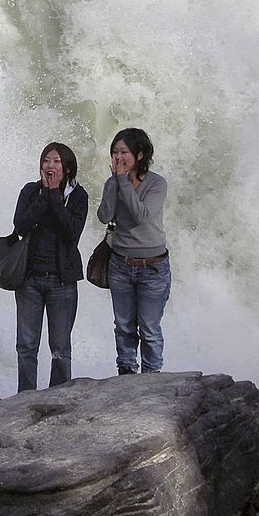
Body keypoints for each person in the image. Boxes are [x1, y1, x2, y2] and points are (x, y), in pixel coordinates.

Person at [12, 142, 88, 391]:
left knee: (60, 348)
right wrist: (44, 196)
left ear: (67, 167)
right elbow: (21, 226)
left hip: (61, 282)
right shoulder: (30, 192)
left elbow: (71, 233)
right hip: (29, 280)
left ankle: (59, 397)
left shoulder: (78, 196)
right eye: (46, 160)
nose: (50, 166)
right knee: (26, 345)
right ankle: (25, 397)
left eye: (56, 161)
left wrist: (55, 197)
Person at [97, 128, 170, 375]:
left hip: (153, 266)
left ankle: (152, 378)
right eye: (115, 152)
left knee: (149, 328)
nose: (118, 158)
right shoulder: (113, 183)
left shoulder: (156, 184)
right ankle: (126, 375)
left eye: (124, 152)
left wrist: (122, 183)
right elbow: (104, 215)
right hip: (121, 263)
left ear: (139, 155)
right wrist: (114, 186)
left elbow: (142, 216)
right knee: (124, 325)